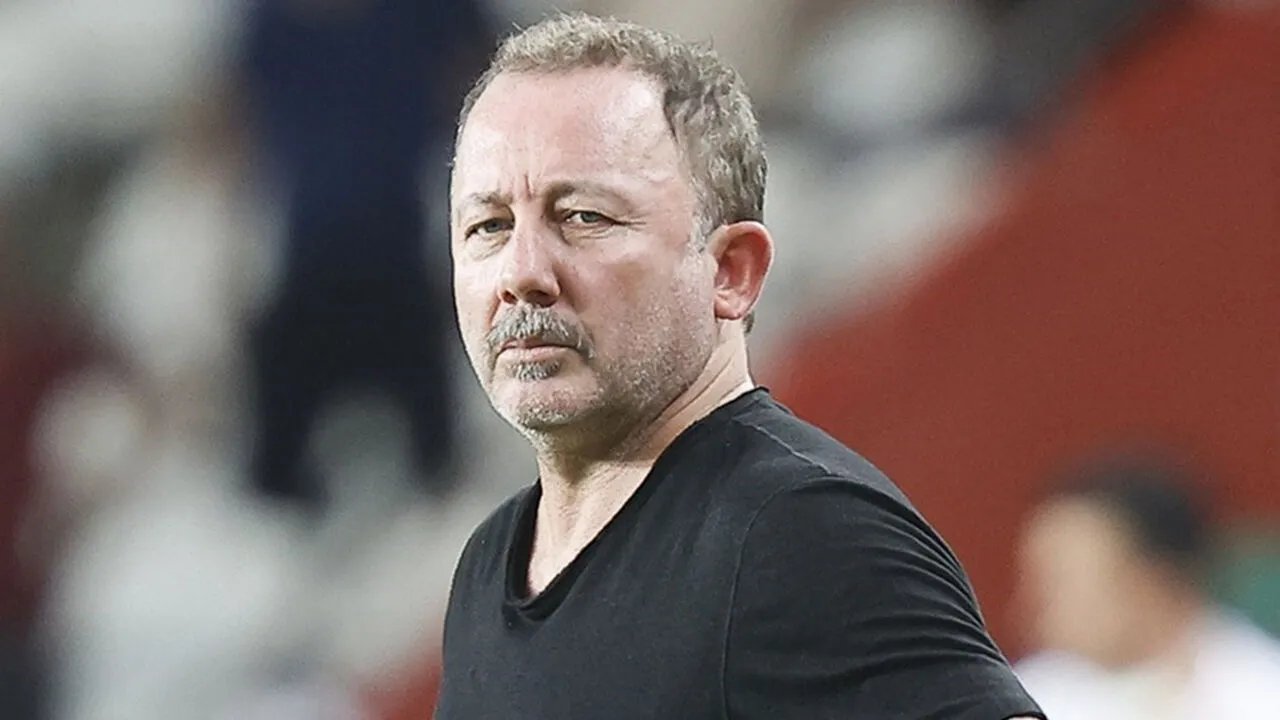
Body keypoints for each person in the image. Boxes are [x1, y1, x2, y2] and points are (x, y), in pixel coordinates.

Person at [436, 13, 1044, 719]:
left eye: (583, 216)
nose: (522, 273)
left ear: (730, 271)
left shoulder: (801, 533)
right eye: (489, 226)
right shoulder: (488, 565)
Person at [1015, 454, 1280, 719]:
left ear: (1151, 582)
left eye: (1060, 583)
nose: (1028, 611)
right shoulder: (1032, 694)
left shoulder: (1260, 695)